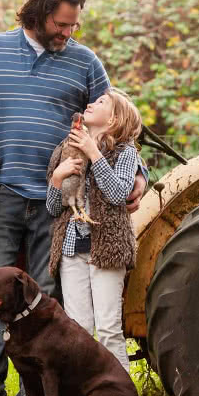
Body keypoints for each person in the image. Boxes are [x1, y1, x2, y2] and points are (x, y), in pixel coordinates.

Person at [0, 0, 148, 396]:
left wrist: (140, 174)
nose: (69, 32)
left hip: (63, 207)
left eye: (74, 25)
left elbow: (118, 121)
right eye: (62, 23)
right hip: (5, 194)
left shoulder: (85, 62)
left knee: (45, 307)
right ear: (38, 12)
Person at [46, 88, 142, 372]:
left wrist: (93, 152)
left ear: (113, 120)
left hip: (108, 251)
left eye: (101, 102)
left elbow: (118, 194)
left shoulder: (125, 152)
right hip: (71, 251)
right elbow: (53, 208)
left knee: (109, 327)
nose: (90, 103)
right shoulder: (66, 148)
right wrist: (57, 176)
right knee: (78, 329)